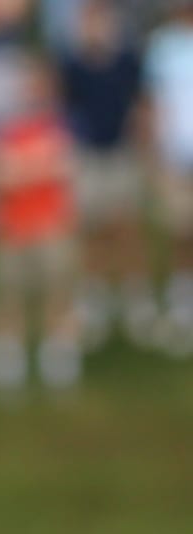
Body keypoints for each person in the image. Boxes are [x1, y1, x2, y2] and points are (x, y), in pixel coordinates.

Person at [0, 58, 81, 392]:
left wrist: (18, 169)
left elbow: (64, 167)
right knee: (8, 295)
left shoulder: (64, 124)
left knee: (56, 292)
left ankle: (58, 356)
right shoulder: (3, 128)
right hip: (11, 227)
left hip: (51, 225)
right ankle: (8, 357)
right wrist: (35, 166)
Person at [59, 0, 151, 349]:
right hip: (88, 155)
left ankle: (134, 296)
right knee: (91, 228)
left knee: (126, 226)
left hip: (121, 152)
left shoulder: (127, 60)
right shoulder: (73, 64)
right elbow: (67, 107)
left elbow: (139, 104)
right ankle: (94, 296)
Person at [146, 0, 193, 350]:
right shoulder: (162, 45)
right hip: (176, 155)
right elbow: (153, 103)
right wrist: (155, 156)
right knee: (181, 231)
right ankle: (182, 302)